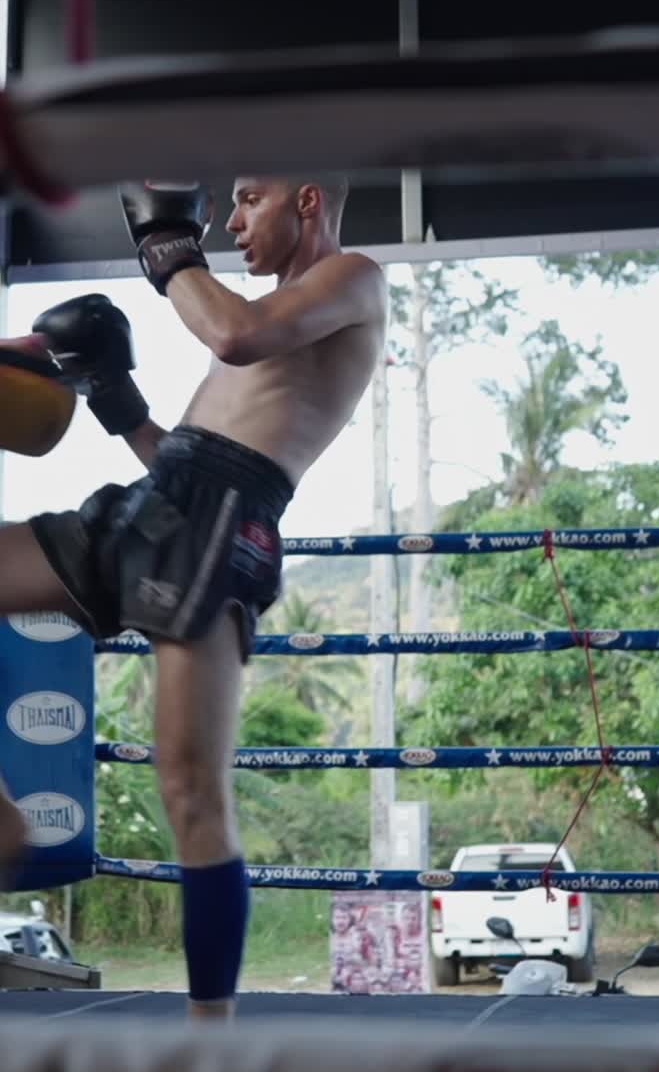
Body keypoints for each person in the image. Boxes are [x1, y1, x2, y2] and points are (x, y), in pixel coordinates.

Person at [0, 174, 388, 1020]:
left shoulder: (353, 278)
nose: (236, 220)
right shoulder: (276, 310)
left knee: (189, 793)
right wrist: (118, 400)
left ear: (309, 200)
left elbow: (237, 337)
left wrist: (168, 251)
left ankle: (212, 1040)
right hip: (160, 502)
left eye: (251, 198)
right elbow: (180, 457)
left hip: (223, 527)